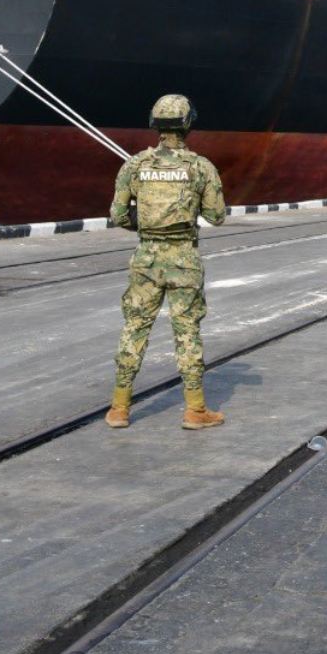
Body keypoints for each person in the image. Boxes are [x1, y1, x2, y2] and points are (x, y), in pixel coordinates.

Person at [105, 94, 228, 431]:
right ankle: (195, 409)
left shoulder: (134, 165)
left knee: (135, 326)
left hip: (146, 257)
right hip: (184, 258)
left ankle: (118, 408)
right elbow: (216, 216)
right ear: (188, 124)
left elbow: (117, 215)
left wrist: (144, 226)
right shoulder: (201, 167)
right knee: (187, 330)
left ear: (154, 124)